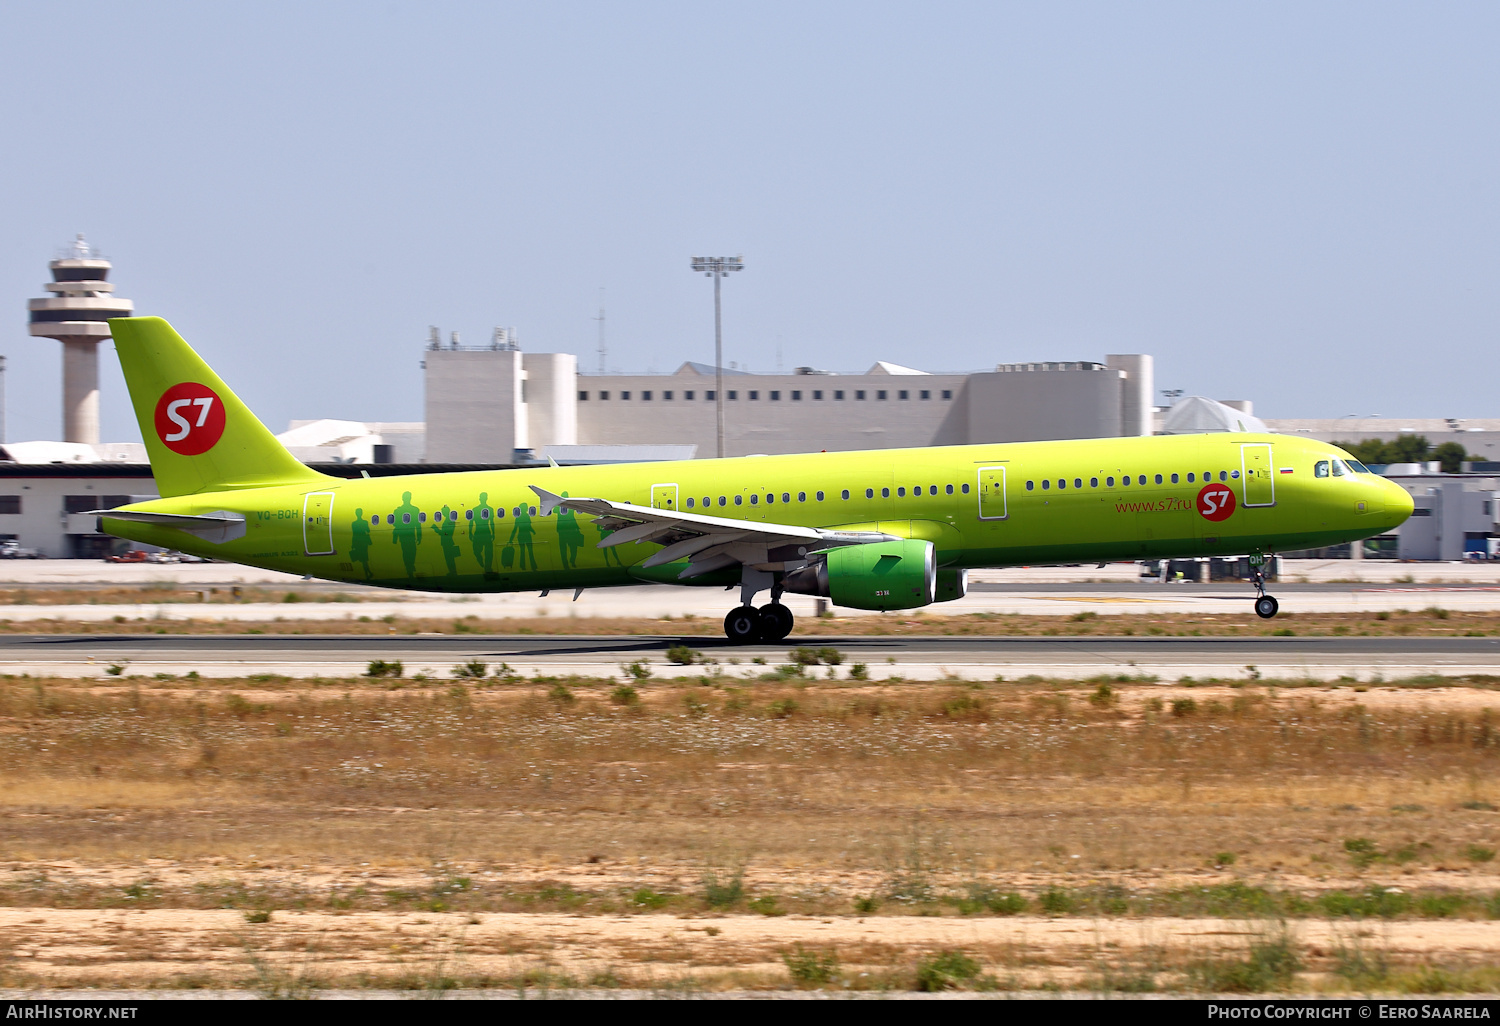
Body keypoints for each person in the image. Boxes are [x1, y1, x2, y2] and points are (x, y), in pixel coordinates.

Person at [391, 491, 422, 577]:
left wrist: (419, 536)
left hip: (408, 536)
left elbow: (417, 524)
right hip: (405, 536)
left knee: (410, 552)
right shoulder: (401, 510)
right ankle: (409, 568)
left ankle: (410, 566)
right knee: (408, 552)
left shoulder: (413, 510)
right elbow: (396, 525)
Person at [469, 491, 495, 573]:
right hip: (479, 532)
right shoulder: (475, 509)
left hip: (485, 532)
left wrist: (493, 533)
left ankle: (487, 568)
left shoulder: (490, 509)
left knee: (489, 553)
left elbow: (491, 522)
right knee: (476, 551)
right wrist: (470, 532)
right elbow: (471, 522)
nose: (482, 499)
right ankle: (481, 562)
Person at [432, 504, 461, 577]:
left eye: (443, 512)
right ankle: (452, 572)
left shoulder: (449, 520)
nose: (442, 513)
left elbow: (446, 533)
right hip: (447, 542)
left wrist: (436, 529)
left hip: (448, 542)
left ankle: (453, 572)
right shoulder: (448, 520)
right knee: (449, 558)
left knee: (449, 559)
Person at [349, 508, 373, 580]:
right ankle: (368, 573)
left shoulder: (354, 523)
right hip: (364, 542)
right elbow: (368, 530)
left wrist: (353, 544)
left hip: (358, 542)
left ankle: (368, 573)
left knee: (363, 560)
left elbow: (354, 534)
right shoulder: (365, 522)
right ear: (361, 513)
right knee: (364, 559)